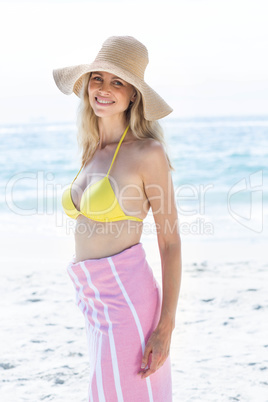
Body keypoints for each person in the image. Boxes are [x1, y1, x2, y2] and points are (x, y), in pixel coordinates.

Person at [53, 35, 182, 402]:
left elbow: (170, 242)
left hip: (127, 297)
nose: (104, 89)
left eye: (117, 82)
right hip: (92, 299)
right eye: (98, 78)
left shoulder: (147, 153)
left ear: (132, 96)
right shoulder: (92, 150)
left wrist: (166, 326)